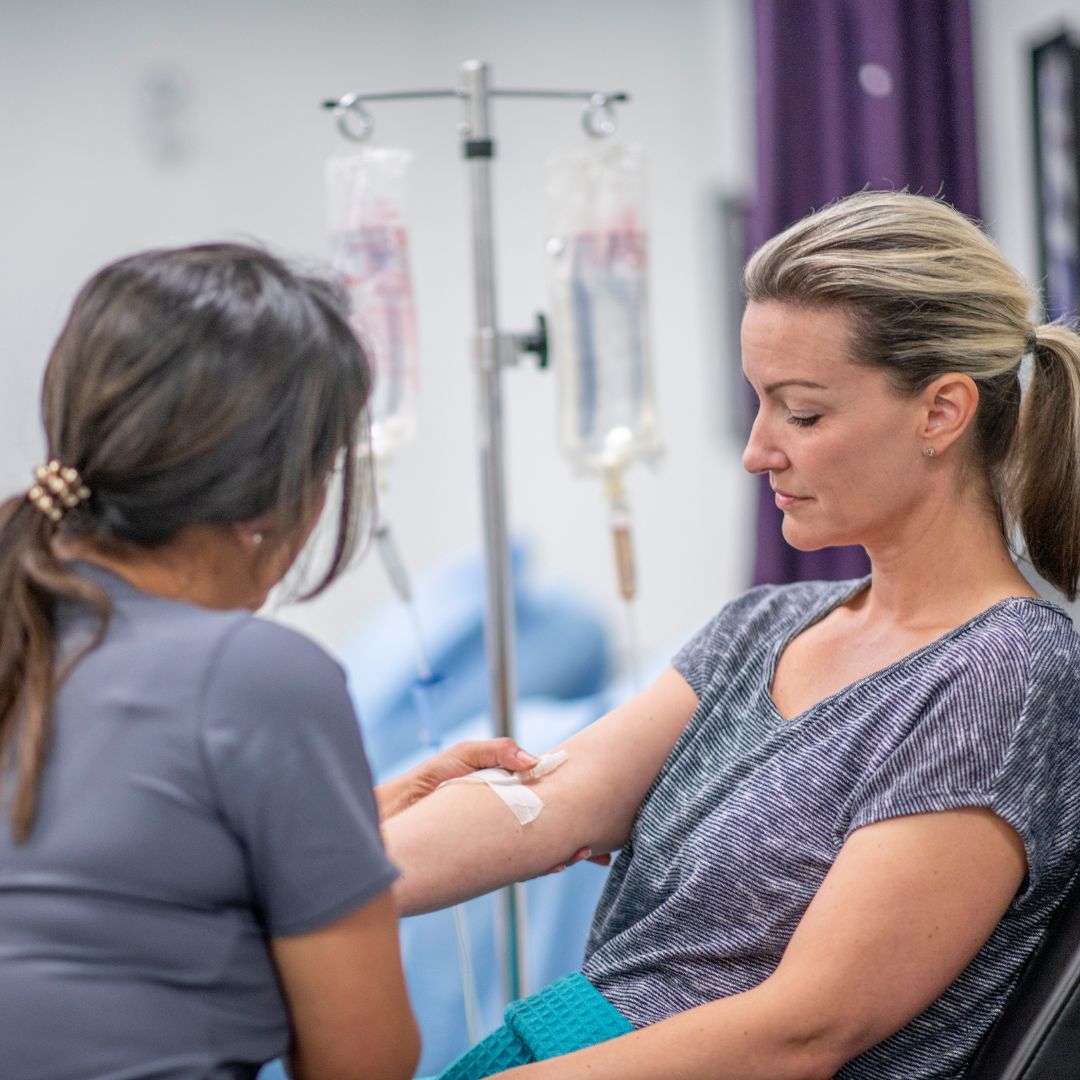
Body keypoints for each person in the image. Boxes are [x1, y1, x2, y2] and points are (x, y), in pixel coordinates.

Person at [384, 190, 1080, 1079]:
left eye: (802, 413)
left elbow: (804, 1031)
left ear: (940, 412)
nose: (758, 451)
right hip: (569, 1042)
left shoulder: (1004, 675)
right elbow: (549, 805)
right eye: (760, 404)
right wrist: (305, 890)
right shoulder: (762, 627)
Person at [0, 243, 537, 1080]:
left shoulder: (29, 625)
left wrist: (346, 832)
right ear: (287, 487)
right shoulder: (256, 677)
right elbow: (364, 1063)